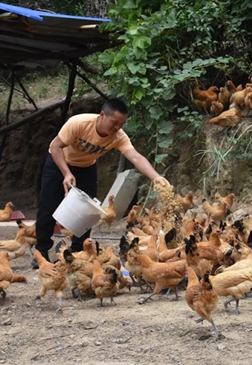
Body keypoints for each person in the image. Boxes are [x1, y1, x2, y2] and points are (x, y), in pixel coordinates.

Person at [32, 98, 169, 268]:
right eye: (114, 122)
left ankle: (78, 253)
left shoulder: (118, 136)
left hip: (87, 168)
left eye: (121, 124)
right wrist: (66, 173)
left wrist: (156, 177)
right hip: (59, 162)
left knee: (88, 211)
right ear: (102, 115)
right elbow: (55, 147)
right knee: (48, 207)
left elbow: (135, 157)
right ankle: (41, 252)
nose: (117, 128)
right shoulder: (79, 123)